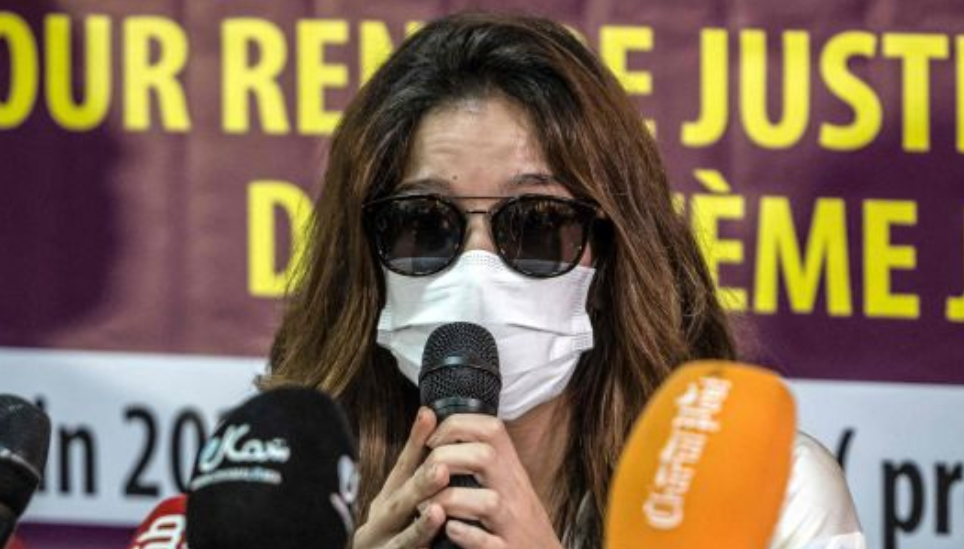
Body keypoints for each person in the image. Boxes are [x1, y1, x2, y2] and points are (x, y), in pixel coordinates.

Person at [262, 11, 864, 549]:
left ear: (610, 253)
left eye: (537, 224)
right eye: (424, 223)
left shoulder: (767, 496)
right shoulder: (285, 490)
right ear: (365, 255)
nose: (479, 269)